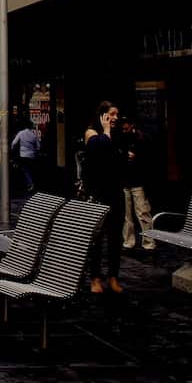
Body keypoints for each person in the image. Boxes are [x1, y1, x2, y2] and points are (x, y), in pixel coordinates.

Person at [84, 102, 126, 293]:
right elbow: (100, 150)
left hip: (116, 192)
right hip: (99, 193)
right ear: (102, 116)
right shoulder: (92, 133)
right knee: (97, 238)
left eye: (117, 114)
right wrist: (106, 130)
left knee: (115, 238)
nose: (116, 118)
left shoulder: (116, 136)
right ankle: (95, 278)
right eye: (111, 114)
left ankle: (113, 277)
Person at [119, 117, 156, 253]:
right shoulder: (121, 139)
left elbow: (149, 159)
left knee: (142, 212)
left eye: (126, 128)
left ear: (132, 126)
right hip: (126, 180)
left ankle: (148, 241)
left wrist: (137, 157)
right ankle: (129, 241)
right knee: (127, 215)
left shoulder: (142, 139)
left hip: (138, 180)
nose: (124, 131)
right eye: (123, 128)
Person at [11, 119, 41, 194]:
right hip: (32, 156)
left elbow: (14, 143)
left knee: (25, 170)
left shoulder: (21, 133)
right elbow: (38, 147)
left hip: (23, 155)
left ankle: (30, 184)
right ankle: (29, 183)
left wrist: (12, 149)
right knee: (30, 170)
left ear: (24, 126)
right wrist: (35, 151)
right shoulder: (34, 135)